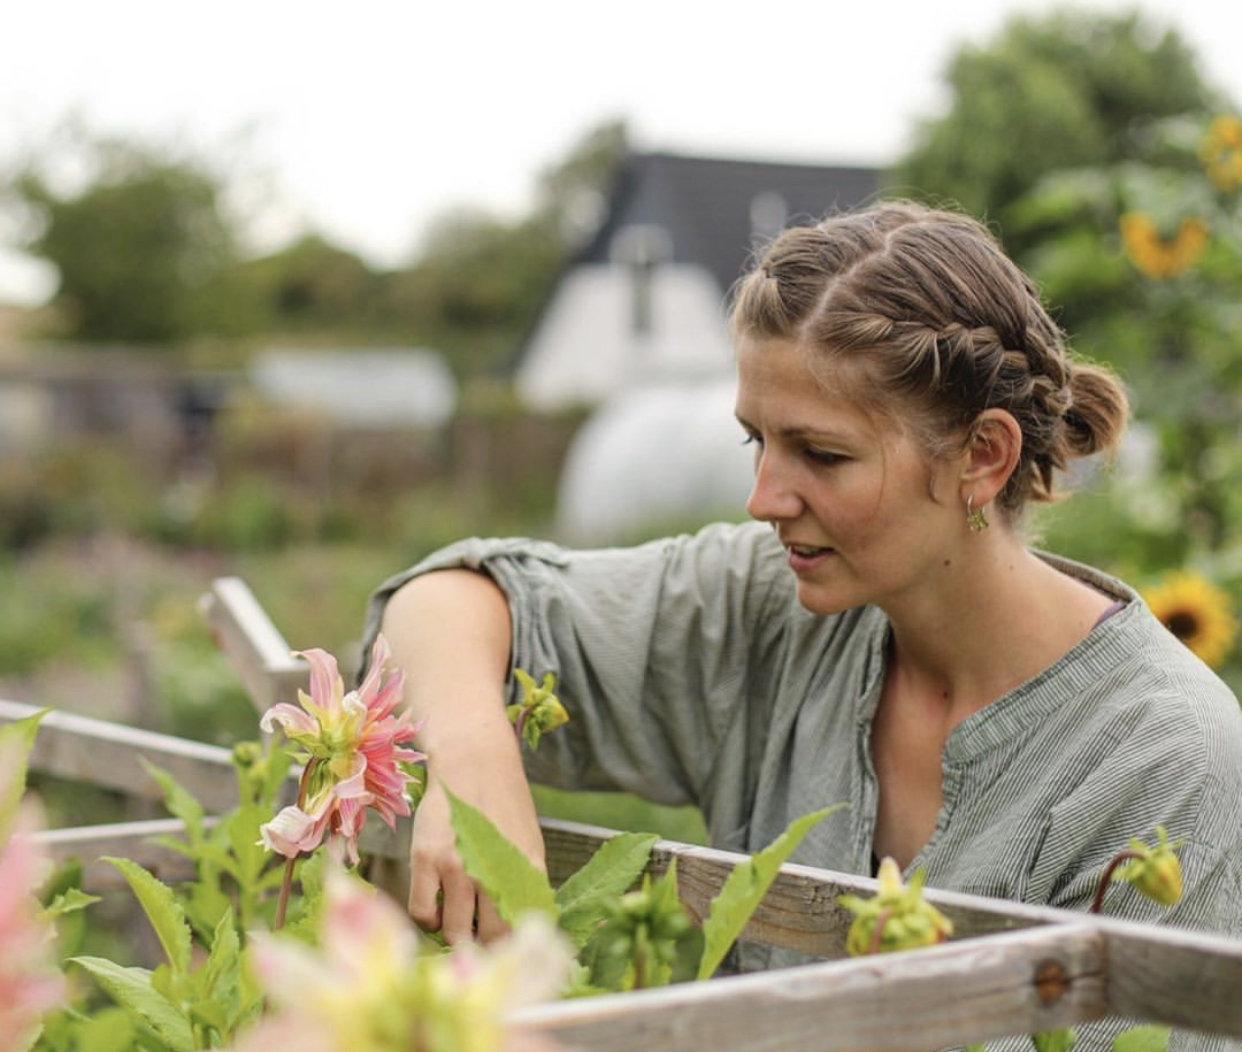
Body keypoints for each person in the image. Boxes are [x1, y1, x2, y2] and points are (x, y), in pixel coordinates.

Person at [362, 200, 1242, 1047]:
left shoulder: (1164, 761)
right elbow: (447, 598)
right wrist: (473, 754)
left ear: (984, 454)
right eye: (757, 441)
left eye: (822, 455)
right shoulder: (770, 608)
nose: (763, 500)